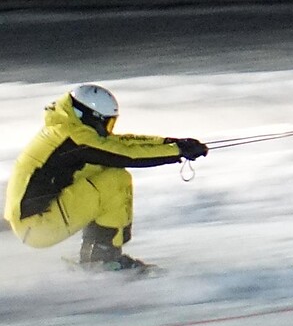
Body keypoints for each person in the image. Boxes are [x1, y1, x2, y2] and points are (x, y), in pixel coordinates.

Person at [5, 84, 208, 273]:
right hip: (38, 225)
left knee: (100, 170)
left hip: (33, 221)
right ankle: (103, 258)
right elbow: (125, 155)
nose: (108, 128)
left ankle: (96, 255)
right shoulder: (75, 138)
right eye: (106, 122)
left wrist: (173, 143)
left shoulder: (67, 129)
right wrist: (177, 152)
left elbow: (121, 143)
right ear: (91, 117)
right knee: (115, 179)